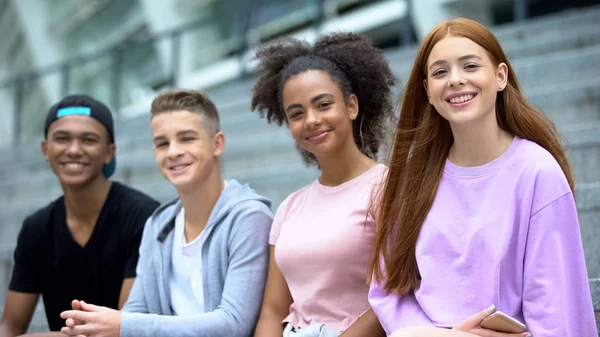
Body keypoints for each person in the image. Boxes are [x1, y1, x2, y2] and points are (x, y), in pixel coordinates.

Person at [368, 18, 597, 337]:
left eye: (470, 66)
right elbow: (388, 287)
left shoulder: (536, 173)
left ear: (500, 76)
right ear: (428, 92)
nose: (455, 80)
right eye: (440, 72)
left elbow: (557, 310)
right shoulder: (414, 175)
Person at [59, 89, 273, 337]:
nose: (173, 152)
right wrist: (94, 326)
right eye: (162, 143)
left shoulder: (249, 218)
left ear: (217, 144)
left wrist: (125, 325)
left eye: (187, 138)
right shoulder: (158, 223)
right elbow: (137, 309)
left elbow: (234, 324)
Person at [250, 32, 396, 337]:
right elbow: (273, 310)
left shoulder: (388, 187)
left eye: (323, 104)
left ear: (352, 106)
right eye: (297, 113)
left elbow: (395, 295)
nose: (311, 120)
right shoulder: (290, 207)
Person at [0, 95, 159, 337]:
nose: (74, 150)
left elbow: (125, 328)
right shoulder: (36, 228)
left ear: (109, 152)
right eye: (62, 138)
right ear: (45, 149)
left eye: (89, 139)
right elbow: (10, 326)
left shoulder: (143, 216)